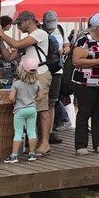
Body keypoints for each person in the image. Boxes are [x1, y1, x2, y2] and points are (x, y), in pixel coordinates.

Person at [0, 10, 52, 155]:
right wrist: (0, 41)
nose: (19, 27)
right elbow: (8, 57)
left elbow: (16, 43)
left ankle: (45, 143)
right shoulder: (27, 41)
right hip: (25, 77)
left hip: (39, 74)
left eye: (19, 24)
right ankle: (35, 141)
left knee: (41, 109)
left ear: (29, 21)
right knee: (32, 109)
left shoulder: (40, 34)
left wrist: (3, 34)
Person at [71, 13, 99, 154]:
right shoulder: (84, 39)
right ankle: (81, 144)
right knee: (84, 112)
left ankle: (98, 142)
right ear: (97, 26)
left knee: (98, 113)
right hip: (85, 82)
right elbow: (76, 61)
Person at [5, 58, 42, 163]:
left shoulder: (17, 84)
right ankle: (32, 154)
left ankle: (14, 155)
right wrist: (32, 100)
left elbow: (11, 98)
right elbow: (40, 97)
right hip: (32, 109)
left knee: (18, 133)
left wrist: (16, 101)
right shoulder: (37, 83)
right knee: (31, 131)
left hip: (20, 110)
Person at [42, 11, 66, 145]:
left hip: (57, 70)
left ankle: (49, 132)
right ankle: (40, 131)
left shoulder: (60, 29)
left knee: (52, 101)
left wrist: (64, 49)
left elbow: (67, 44)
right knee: (40, 101)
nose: (50, 26)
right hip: (43, 69)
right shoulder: (39, 32)